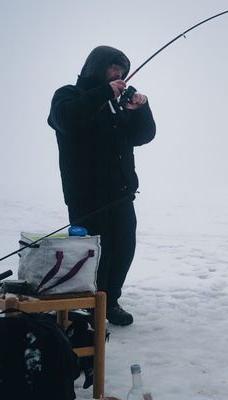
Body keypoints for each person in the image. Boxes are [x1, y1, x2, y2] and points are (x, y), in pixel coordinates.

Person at [48, 45, 156, 326]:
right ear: (96, 67)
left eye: (122, 70)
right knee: (92, 254)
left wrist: (141, 109)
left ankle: (110, 302)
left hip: (121, 194)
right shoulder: (68, 95)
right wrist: (105, 93)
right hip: (86, 195)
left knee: (123, 248)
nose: (119, 74)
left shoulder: (116, 106)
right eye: (113, 68)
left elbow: (143, 135)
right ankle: (89, 305)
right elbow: (67, 120)